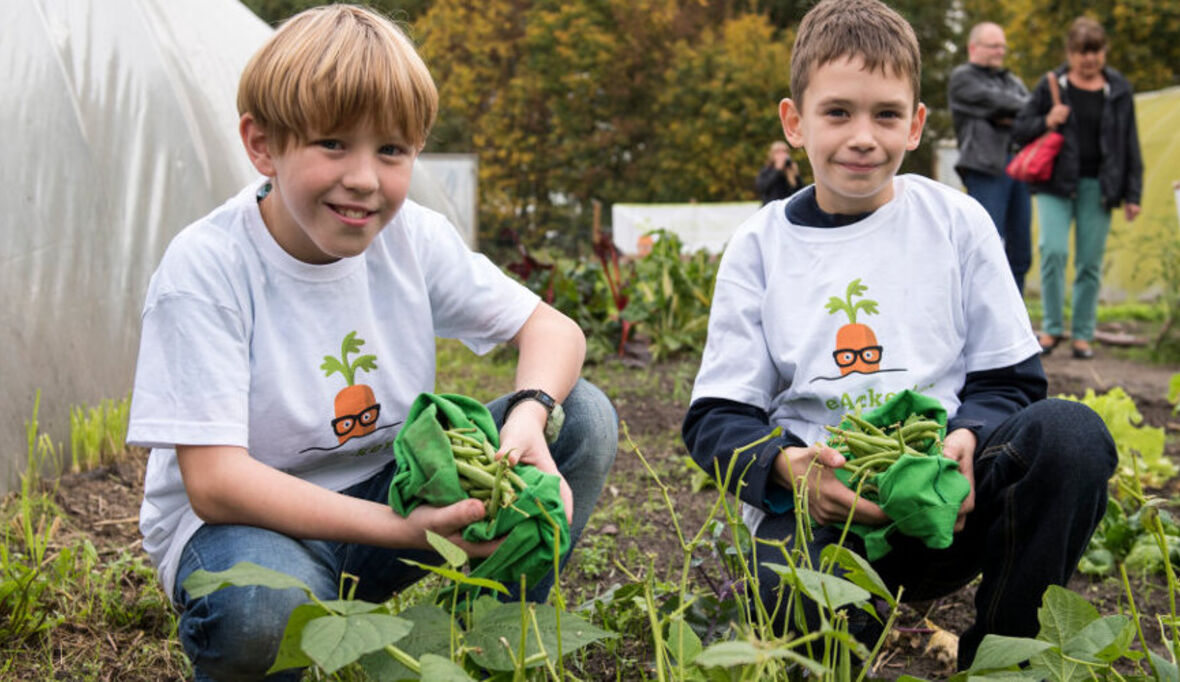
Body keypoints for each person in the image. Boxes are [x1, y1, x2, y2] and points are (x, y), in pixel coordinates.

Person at [125, 6, 618, 680]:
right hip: (249, 528)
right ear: (264, 145)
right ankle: (295, 621)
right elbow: (214, 484)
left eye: (391, 150)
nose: (364, 178)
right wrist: (406, 532)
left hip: (390, 493)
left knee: (580, 418)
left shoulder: (411, 237)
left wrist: (531, 416)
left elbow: (552, 329)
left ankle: (484, 644)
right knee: (268, 618)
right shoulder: (208, 268)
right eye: (333, 144)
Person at [681, 0, 1116, 670]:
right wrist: (788, 471)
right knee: (796, 607)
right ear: (794, 123)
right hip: (826, 515)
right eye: (837, 113)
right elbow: (717, 419)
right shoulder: (760, 246)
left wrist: (968, 436)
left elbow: (1013, 381)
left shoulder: (957, 222)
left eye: (885, 114)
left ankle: (1004, 652)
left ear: (915, 125)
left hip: (949, 500)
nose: (863, 136)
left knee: (1071, 436)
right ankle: (856, 620)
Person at [1013, 17, 1143, 360]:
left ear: (1104, 51)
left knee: (1089, 262)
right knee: (1053, 252)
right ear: (1070, 52)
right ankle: (1052, 329)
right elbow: (1020, 129)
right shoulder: (1052, 84)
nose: (1090, 59)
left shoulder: (1118, 88)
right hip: (1056, 183)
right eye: (1083, 52)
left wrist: (1133, 193)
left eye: (1096, 52)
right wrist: (1047, 120)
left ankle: (1083, 334)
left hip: (1100, 185)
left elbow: (1129, 141)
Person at [948, 22, 1033, 293]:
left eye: (1002, 46)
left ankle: (1017, 319)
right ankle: (979, 320)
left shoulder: (1011, 80)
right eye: (994, 46)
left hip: (1019, 168)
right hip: (985, 169)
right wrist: (1004, 110)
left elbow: (1031, 110)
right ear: (973, 47)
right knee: (986, 248)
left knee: (1020, 252)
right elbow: (1000, 103)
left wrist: (1002, 114)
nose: (1000, 52)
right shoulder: (963, 78)